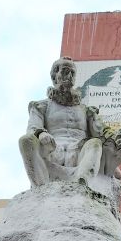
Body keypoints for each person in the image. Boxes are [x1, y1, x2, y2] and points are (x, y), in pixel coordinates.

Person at [19, 56, 105, 186]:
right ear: (54, 77)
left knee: (95, 143)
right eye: (65, 71)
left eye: (72, 73)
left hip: (78, 153)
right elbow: (32, 128)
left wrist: (99, 124)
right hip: (51, 150)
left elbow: (100, 134)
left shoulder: (86, 110)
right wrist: (41, 134)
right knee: (26, 141)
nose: (69, 76)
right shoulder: (41, 106)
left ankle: (82, 184)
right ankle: (40, 188)